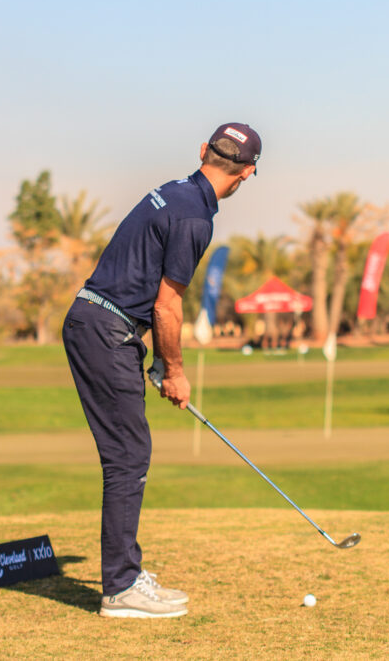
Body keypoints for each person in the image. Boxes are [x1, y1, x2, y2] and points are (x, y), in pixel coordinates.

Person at [62, 122, 261, 618]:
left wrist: (151, 357)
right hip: (106, 329)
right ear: (248, 173)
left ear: (203, 152)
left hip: (103, 324)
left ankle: (124, 577)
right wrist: (174, 370)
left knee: (129, 450)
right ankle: (122, 588)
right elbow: (167, 305)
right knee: (129, 453)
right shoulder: (196, 219)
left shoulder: (174, 193)